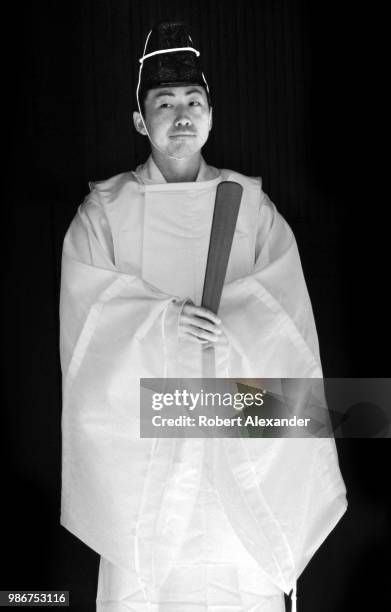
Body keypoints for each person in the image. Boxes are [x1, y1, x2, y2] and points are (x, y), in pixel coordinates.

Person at [59, 21, 348, 612]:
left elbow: (288, 319)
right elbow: (88, 324)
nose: (181, 115)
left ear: (212, 114)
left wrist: (234, 327)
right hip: (145, 445)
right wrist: (163, 325)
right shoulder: (104, 213)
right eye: (163, 103)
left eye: (194, 102)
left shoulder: (251, 207)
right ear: (141, 120)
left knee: (245, 572)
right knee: (149, 582)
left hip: (236, 430)